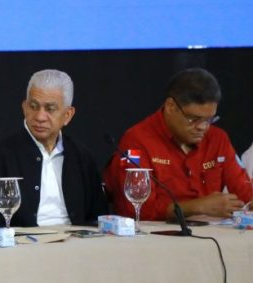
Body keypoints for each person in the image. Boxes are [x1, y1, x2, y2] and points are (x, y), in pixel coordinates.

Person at [104, 68, 252, 220]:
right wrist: (196, 207)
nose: (203, 127)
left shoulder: (218, 139)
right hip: (156, 233)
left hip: (213, 231)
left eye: (209, 120)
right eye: (194, 119)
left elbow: (245, 190)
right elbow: (135, 209)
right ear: (171, 106)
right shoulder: (137, 141)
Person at [0, 69, 106, 227]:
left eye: (50, 109)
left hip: (76, 237)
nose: (39, 117)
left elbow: (98, 217)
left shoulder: (83, 158)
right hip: (22, 239)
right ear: (24, 108)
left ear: (68, 115)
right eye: (33, 106)